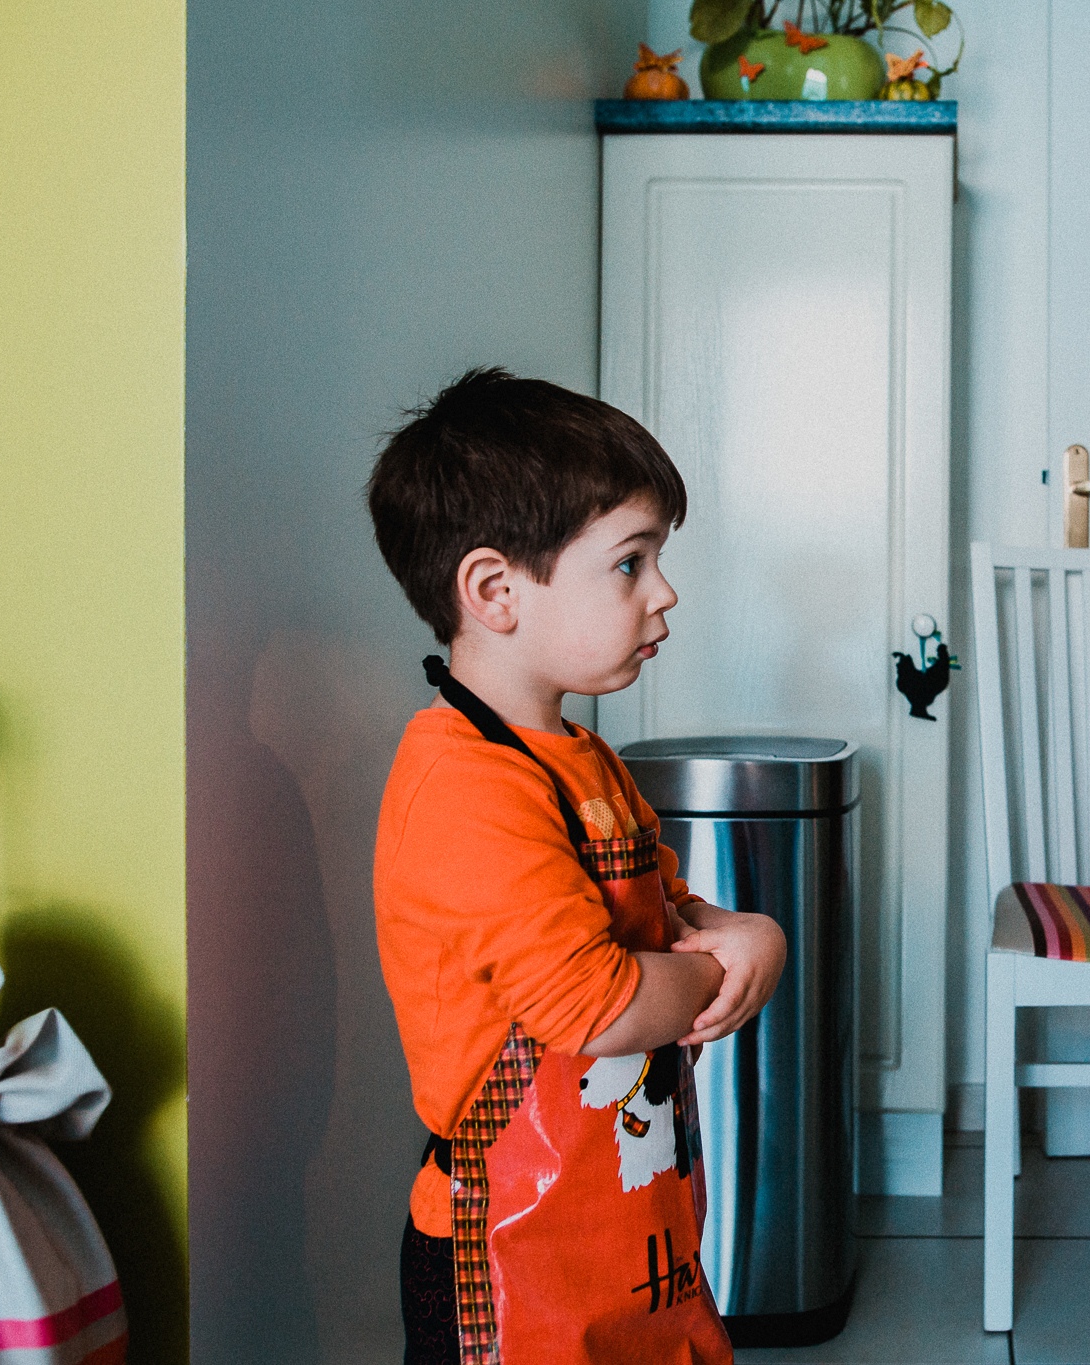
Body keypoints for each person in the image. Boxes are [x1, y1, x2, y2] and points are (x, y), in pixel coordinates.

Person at [366, 368, 785, 1365]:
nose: (663, 593)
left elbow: (664, 912)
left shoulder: (581, 758)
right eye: (630, 564)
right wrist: (714, 971)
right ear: (496, 591)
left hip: (627, 1218)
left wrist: (746, 931)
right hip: (509, 1247)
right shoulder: (466, 785)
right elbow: (593, 1007)